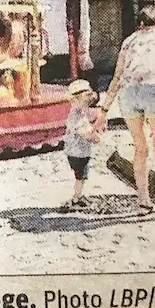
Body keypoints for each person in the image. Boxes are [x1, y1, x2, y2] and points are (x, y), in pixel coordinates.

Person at [104, 6, 155, 211]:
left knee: (140, 148)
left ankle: (143, 200)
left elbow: (117, 76)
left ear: (139, 24)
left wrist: (105, 108)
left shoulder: (129, 40)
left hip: (129, 92)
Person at [61, 79, 103, 210]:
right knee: (81, 177)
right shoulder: (76, 116)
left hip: (77, 151)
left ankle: (78, 196)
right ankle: (76, 198)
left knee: (81, 176)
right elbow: (84, 132)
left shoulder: (78, 112)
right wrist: (95, 136)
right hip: (78, 153)